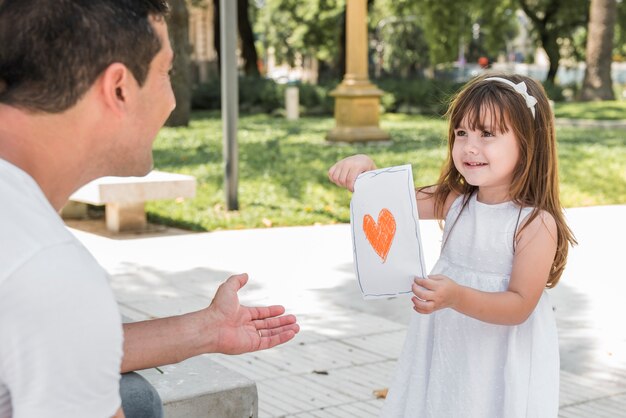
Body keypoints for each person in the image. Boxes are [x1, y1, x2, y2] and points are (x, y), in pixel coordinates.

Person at [0, 1, 299, 417]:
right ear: (119, 88)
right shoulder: (47, 270)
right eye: (166, 72)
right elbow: (55, 315)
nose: (172, 100)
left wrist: (207, 329)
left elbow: (61, 339)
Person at [328, 73, 576, 417]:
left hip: (498, 355)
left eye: (487, 134)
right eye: (462, 133)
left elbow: (519, 305)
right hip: (449, 344)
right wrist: (365, 170)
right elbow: (388, 200)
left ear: (528, 141)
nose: (470, 146)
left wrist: (456, 296)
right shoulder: (455, 200)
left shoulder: (534, 223)